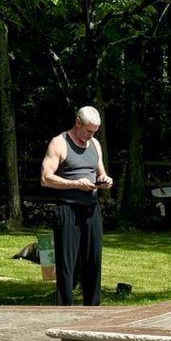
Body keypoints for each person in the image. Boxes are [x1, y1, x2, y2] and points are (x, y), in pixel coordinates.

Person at [40, 106, 113, 306]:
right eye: (88, 131)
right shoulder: (59, 143)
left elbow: (100, 172)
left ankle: (93, 309)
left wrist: (104, 179)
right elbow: (46, 179)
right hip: (67, 208)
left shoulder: (95, 144)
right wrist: (74, 184)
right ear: (78, 122)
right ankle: (65, 309)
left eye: (94, 132)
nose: (90, 135)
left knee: (93, 261)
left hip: (91, 208)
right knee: (67, 265)